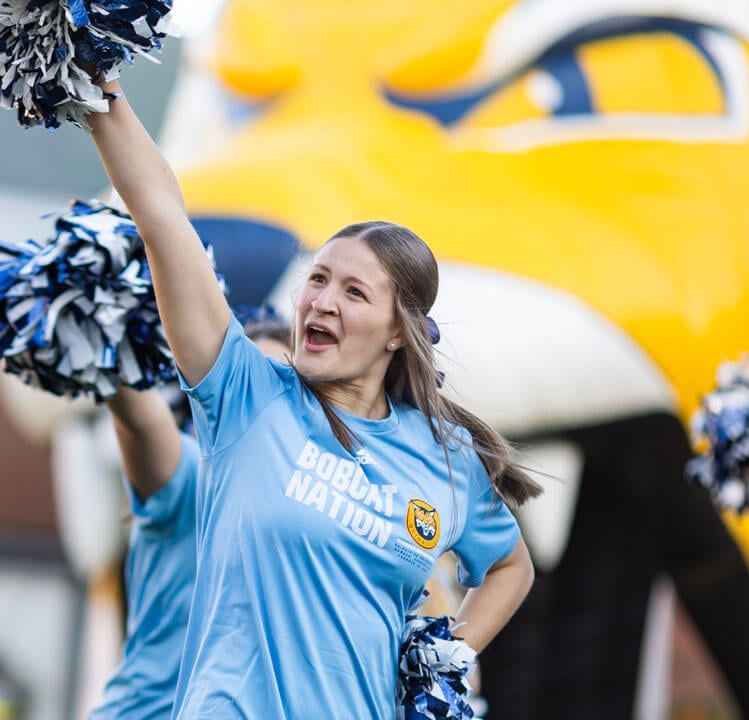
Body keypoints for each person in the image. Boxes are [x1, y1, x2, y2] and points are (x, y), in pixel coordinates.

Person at [83, 77, 541, 716]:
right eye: (317, 279)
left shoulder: (445, 461)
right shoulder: (247, 396)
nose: (322, 300)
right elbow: (161, 216)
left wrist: (449, 657)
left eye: (354, 293)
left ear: (395, 334)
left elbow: (509, 568)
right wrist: (97, 88)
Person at [89, 319, 291, 720]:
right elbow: (140, 415)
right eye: (246, 386)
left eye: (280, 390)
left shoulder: (319, 518)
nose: (259, 405)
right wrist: (103, 321)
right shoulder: (189, 477)